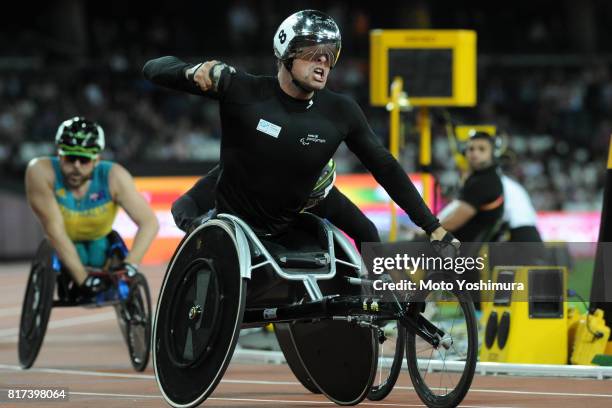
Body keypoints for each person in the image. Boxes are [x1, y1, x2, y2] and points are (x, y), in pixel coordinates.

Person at [143, 10, 456, 252]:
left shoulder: (341, 111)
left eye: (330, 54)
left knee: (363, 239)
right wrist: (191, 70)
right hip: (232, 228)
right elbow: (153, 68)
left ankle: (378, 309)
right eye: (313, 53)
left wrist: (433, 227)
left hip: (290, 225)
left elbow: (385, 167)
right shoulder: (242, 88)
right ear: (286, 53)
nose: (323, 60)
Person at [25, 117, 159, 296]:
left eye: (84, 160)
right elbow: (54, 231)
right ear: (59, 155)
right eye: (70, 158)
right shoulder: (40, 171)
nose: (76, 166)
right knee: (75, 254)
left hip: (100, 241)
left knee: (97, 255)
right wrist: (83, 280)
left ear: (97, 159)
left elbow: (149, 222)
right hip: (65, 241)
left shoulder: (114, 177)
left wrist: (130, 265)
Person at [171, 161, 382, 250]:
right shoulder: (242, 170)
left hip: (289, 241)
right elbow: (184, 204)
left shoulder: (325, 198)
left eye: (310, 201)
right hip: (243, 237)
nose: (302, 204)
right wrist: (195, 227)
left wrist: (384, 286)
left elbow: (366, 231)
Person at [437, 130, 504, 242]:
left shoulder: (484, 182)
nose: (475, 153)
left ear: (492, 154)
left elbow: (453, 223)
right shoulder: (482, 177)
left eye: (482, 149)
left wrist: (427, 230)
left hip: (454, 249)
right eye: (471, 149)